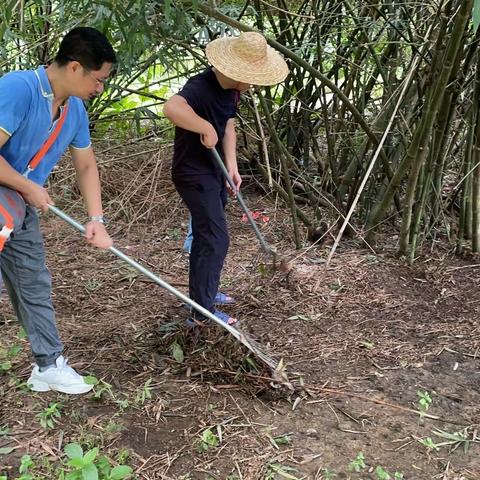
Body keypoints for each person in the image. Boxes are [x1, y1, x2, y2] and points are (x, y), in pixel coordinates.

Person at [0, 27, 116, 394]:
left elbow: (86, 165)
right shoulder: (19, 89)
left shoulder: (75, 110)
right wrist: (29, 186)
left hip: (19, 204)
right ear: (76, 68)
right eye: (99, 80)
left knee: (32, 281)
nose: (100, 89)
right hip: (10, 200)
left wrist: (96, 220)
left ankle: (48, 366)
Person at [164, 32, 288, 326]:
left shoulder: (233, 91)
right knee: (215, 237)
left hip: (214, 170)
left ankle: (204, 293)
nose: (253, 82)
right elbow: (172, 107)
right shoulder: (200, 86)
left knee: (209, 238)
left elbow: (228, 127)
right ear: (235, 70)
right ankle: (201, 313)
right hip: (192, 172)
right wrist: (202, 125)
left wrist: (231, 168)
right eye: (251, 75)